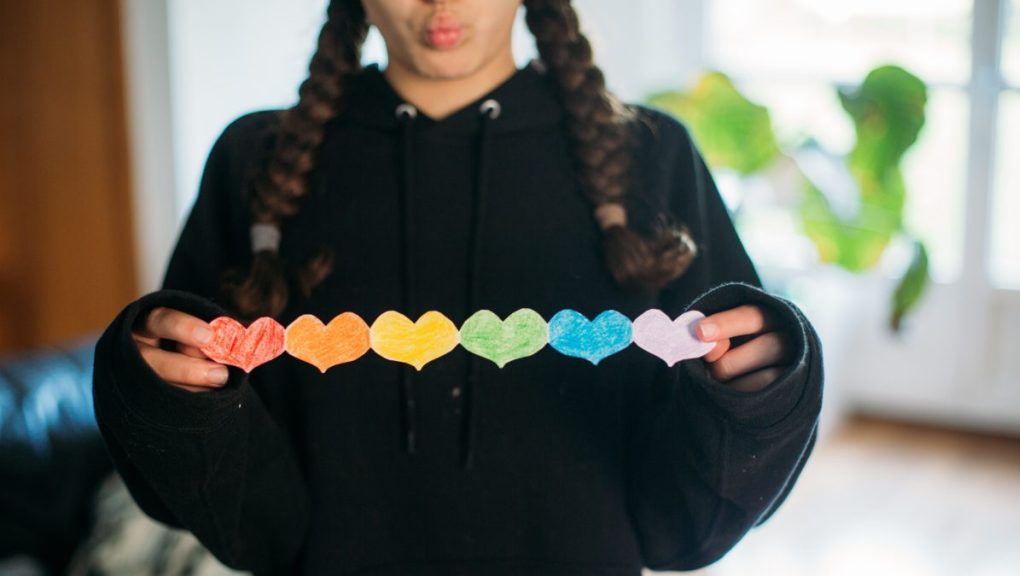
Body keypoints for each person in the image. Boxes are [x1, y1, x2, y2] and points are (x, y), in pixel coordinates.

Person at [92, 0, 824, 574]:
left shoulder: (653, 158)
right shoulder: (253, 161)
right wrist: (163, 392)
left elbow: (684, 528)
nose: (440, 1)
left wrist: (758, 392)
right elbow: (239, 518)